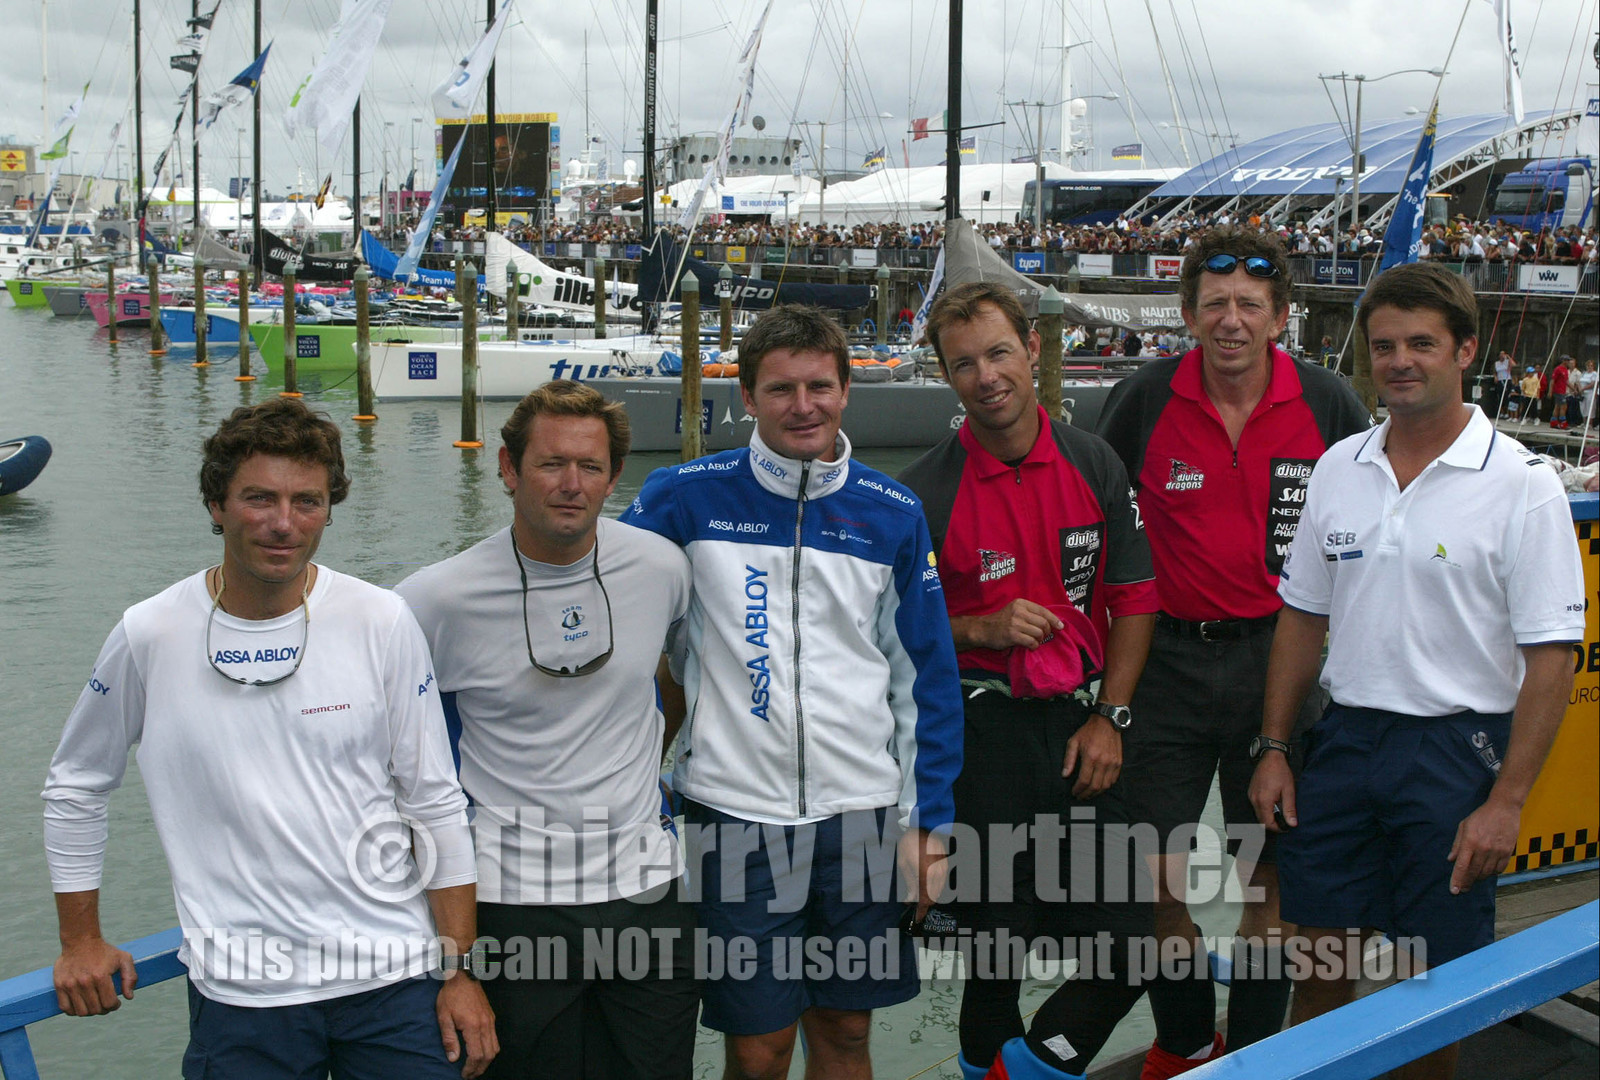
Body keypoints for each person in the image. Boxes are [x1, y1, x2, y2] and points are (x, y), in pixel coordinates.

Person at [43, 398, 497, 1078]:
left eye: (307, 502)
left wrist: (458, 971)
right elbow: (76, 786)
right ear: (217, 504)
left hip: (396, 982)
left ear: (329, 508)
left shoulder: (381, 620)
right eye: (259, 498)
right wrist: (81, 940)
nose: (284, 524)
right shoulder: (150, 633)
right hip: (243, 999)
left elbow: (434, 803)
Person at [1250, 261, 1584, 1080]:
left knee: (1430, 991)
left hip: (1456, 755)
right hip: (1347, 742)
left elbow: (1553, 660)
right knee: (1317, 966)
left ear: (1466, 350)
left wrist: (1506, 802)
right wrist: (1274, 746)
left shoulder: (1523, 486)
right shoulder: (1338, 468)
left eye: (1422, 344)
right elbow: (1302, 618)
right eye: (1385, 345)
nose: (1400, 360)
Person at [623, 305, 964, 1080]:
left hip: (863, 818)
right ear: (746, 396)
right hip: (733, 817)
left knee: (845, 1030)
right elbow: (620, 646)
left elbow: (926, 682)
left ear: (847, 391)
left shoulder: (894, 512)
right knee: (760, 1045)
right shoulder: (681, 498)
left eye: (819, 386)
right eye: (780, 389)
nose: (801, 406)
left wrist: (929, 826)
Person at [1095, 226, 1371, 1075]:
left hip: (1280, 669)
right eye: (1213, 303)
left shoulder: (1328, 404)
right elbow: (1101, 528)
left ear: (1280, 317)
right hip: (1165, 667)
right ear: (1187, 314)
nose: (1231, 320)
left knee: (1268, 882)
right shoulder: (1142, 399)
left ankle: (1250, 1053)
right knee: (1154, 879)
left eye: (1250, 305)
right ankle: (1182, 1041)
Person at [396, 382, 700, 1079]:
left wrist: (650, 765)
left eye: (590, 467)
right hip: (511, 898)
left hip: (647, 892)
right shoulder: (433, 600)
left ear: (614, 477)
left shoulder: (661, 569)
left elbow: (678, 676)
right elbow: (397, 758)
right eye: (550, 464)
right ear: (508, 469)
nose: (571, 484)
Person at [899, 281, 1161, 1080]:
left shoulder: (1093, 462)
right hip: (982, 735)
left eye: (999, 353)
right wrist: (978, 627)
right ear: (948, 377)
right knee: (994, 952)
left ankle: (1029, 1069)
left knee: (1127, 945)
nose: (986, 376)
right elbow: (887, 637)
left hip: (1083, 727)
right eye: (964, 363)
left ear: (1033, 349)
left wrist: (1110, 718)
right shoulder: (923, 492)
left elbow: (1136, 597)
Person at [1549, 355, 1571, 429]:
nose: (1568, 362)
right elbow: (1552, 380)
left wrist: (1573, 388)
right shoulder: (1558, 369)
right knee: (1563, 406)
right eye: (1567, 360)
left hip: (1563, 390)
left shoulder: (1565, 369)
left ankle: (1553, 422)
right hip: (1558, 390)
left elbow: (1566, 381)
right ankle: (1563, 423)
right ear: (1563, 360)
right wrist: (1550, 391)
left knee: (1557, 406)